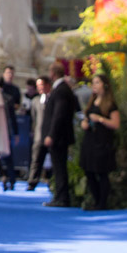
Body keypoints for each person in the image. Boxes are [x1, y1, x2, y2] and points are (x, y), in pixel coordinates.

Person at [79, 74, 120, 211]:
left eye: (97, 82)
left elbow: (116, 124)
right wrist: (85, 123)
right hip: (90, 141)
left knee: (102, 172)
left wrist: (100, 119)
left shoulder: (110, 105)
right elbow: (86, 118)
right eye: (93, 82)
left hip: (103, 142)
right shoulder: (92, 102)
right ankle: (96, 200)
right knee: (89, 172)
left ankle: (102, 203)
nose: (94, 85)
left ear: (105, 85)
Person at [41, 61, 79, 208]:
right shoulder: (62, 89)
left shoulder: (61, 90)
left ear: (53, 73)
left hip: (59, 137)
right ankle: (60, 196)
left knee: (59, 167)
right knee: (58, 167)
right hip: (60, 136)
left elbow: (59, 115)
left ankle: (62, 198)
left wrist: (51, 135)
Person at [27, 75, 51, 191]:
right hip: (38, 135)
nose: (39, 88)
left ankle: (52, 182)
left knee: (53, 161)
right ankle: (32, 182)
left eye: (41, 85)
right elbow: (34, 118)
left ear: (47, 85)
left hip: (51, 135)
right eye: (38, 86)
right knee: (36, 160)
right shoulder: (35, 101)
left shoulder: (53, 99)